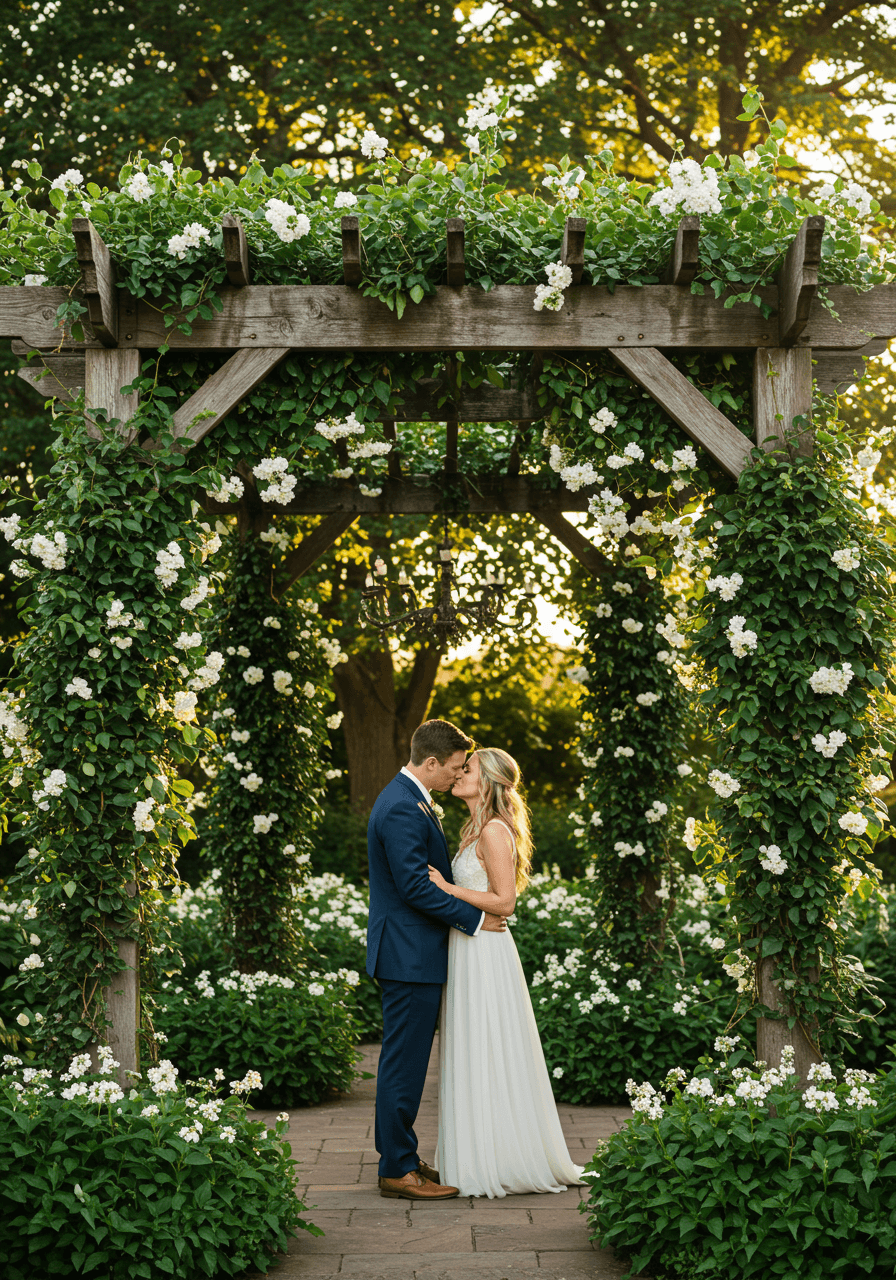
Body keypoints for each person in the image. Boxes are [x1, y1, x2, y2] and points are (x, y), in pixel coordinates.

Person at [428, 747, 585, 1198]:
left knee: (490, 1046)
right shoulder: (470, 828)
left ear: (491, 781)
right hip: (467, 947)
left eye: (468, 768)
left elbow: (505, 902)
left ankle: (500, 1158)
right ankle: (476, 1153)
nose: (459, 773)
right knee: (471, 1048)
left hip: (486, 953)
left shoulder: (495, 831)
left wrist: (446, 887)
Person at [366, 719, 509, 1202]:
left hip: (412, 952)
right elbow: (414, 886)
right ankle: (397, 1170)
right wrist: (472, 919)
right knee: (404, 1065)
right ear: (430, 763)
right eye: (452, 767)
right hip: (409, 955)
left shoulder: (409, 799)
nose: (456, 774)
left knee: (405, 1063)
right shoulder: (403, 807)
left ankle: (400, 1155)